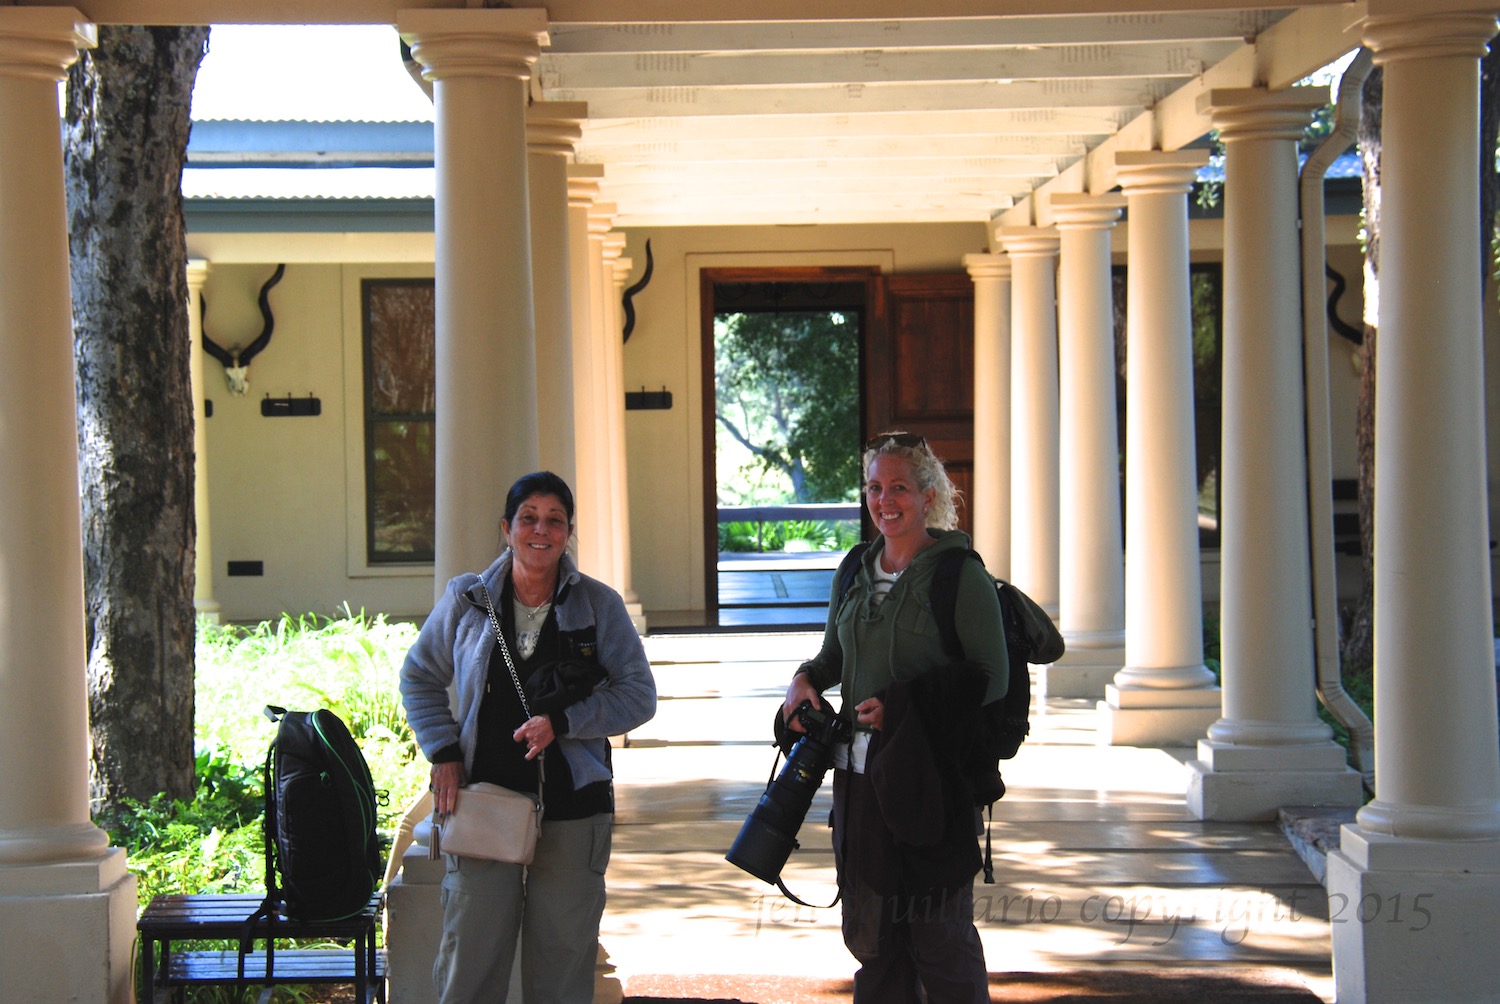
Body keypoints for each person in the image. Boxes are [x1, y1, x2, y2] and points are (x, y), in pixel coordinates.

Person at [401, 471, 657, 1004]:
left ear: (568, 533)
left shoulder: (599, 606)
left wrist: (563, 723)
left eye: (555, 521)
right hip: (484, 804)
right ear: (507, 528)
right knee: (469, 967)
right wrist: (444, 753)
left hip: (574, 810)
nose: (541, 531)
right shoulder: (468, 599)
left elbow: (639, 696)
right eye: (529, 519)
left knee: (562, 971)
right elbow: (419, 676)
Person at [783, 432, 1008, 1004]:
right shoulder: (855, 568)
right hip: (859, 786)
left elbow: (993, 678)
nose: (885, 500)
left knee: (941, 943)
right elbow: (835, 655)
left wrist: (905, 708)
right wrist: (805, 678)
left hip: (931, 783)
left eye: (900, 487)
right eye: (875, 487)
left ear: (928, 495)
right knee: (874, 941)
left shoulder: (960, 575)